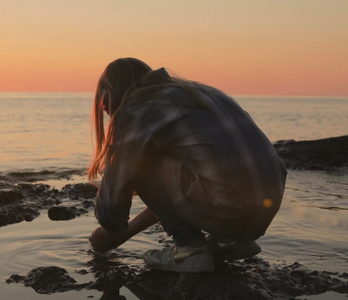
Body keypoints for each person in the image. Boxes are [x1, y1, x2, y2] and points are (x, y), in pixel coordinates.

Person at [87, 58, 287, 273]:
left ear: (110, 95)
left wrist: (110, 230)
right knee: (198, 166)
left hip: (227, 206)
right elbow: (172, 197)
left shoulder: (137, 108)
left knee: (140, 161)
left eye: (105, 107)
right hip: (266, 206)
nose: (108, 114)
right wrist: (126, 232)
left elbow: (113, 203)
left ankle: (190, 251)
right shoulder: (200, 91)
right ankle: (230, 242)